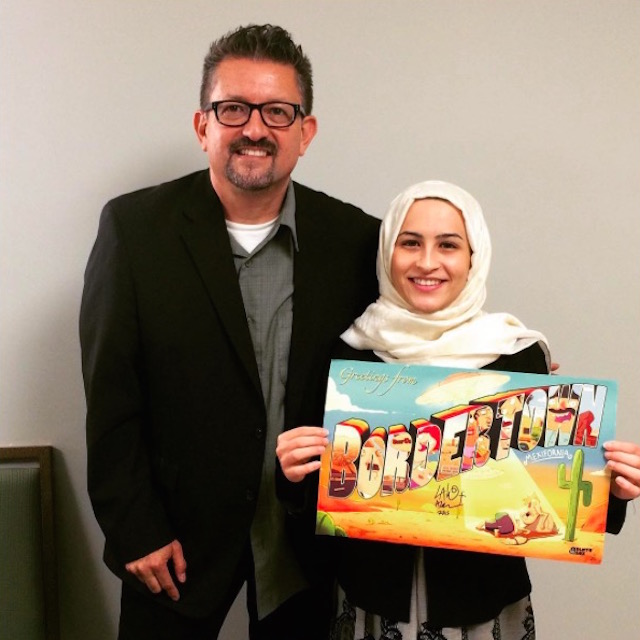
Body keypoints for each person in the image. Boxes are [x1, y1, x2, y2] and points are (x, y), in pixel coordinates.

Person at [80, 24, 379, 640]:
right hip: (172, 546)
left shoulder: (356, 240)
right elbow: (111, 396)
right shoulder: (134, 231)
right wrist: (135, 528)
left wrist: (514, 369)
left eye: (277, 111)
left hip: (306, 545)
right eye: (233, 108)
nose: (255, 128)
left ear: (305, 132)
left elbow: (401, 354)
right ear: (203, 126)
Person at [276, 180, 640, 639]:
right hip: (372, 598)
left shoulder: (517, 355)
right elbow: (324, 491)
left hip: (482, 604)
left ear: (474, 257)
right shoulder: (351, 354)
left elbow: (547, 494)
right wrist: (293, 475)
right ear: (387, 253)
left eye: (448, 245)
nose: (427, 262)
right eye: (410, 243)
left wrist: (613, 490)